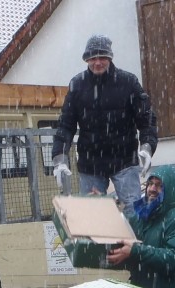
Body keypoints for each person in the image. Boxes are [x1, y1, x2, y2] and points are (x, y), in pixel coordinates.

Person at [51, 34, 158, 216]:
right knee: (93, 214)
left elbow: (146, 119)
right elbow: (65, 125)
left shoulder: (128, 82)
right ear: (87, 60)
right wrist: (59, 159)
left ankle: (136, 245)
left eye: (102, 57)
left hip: (124, 159)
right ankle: (97, 245)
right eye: (92, 58)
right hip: (91, 163)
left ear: (110, 58)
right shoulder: (77, 85)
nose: (97, 62)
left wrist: (147, 147)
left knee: (133, 211)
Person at [106, 165, 175, 288]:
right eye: (150, 184)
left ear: (171, 190)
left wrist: (136, 251)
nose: (152, 189)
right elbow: (128, 247)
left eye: (159, 186)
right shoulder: (142, 217)